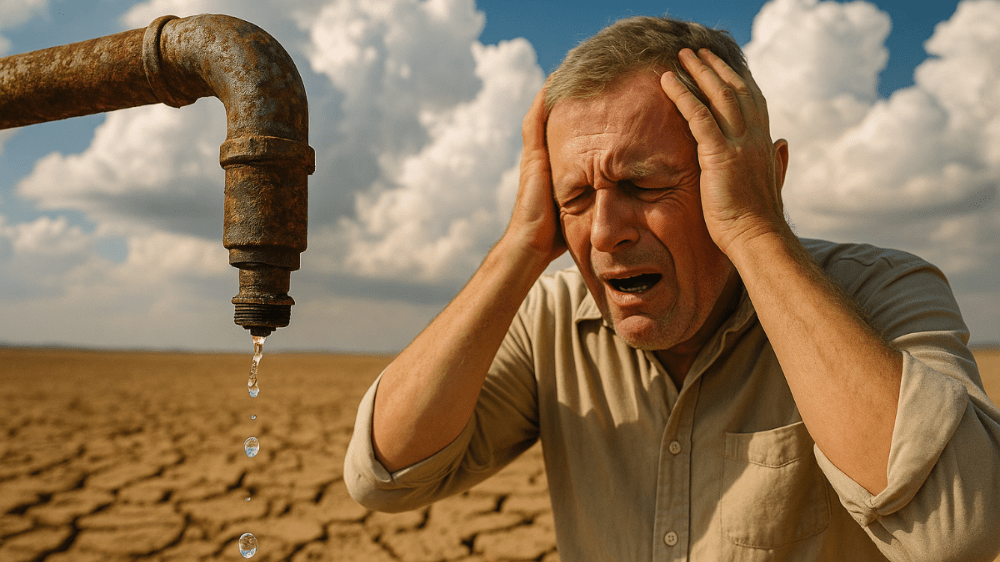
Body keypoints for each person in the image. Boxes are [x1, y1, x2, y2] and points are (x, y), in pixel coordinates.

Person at [344, 15, 1000, 561]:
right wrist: (519, 247)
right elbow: (383, 475)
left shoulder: (884, 290)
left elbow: (960, 531)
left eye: (644, 185)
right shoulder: (551, 318)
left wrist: (754, 230)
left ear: (761, 175)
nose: (604, 232)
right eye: (574, 196)